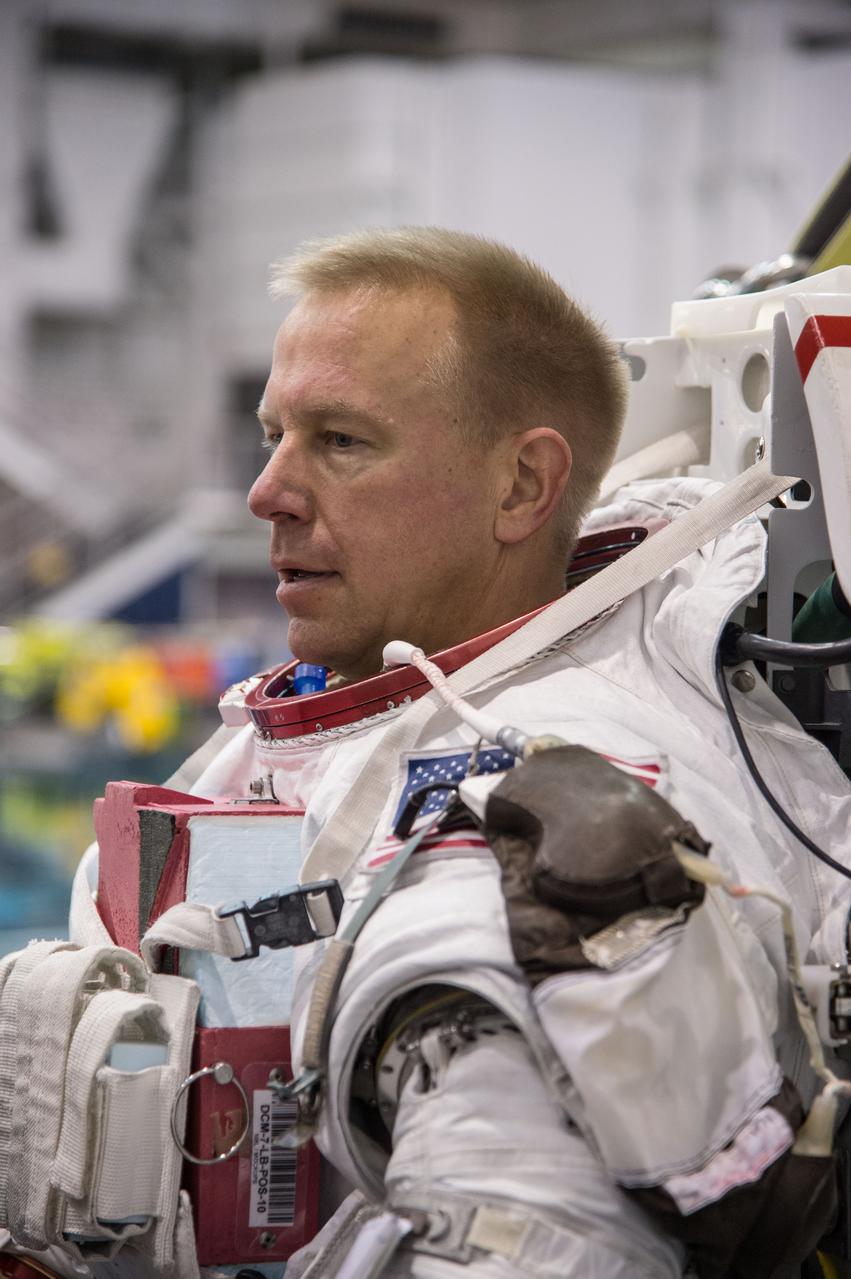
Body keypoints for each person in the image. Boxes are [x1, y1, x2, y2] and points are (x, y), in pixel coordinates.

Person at [3, 227, 850, 1279]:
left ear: (519, 488)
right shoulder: (282, 750)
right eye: (272, 434)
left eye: (341, 441)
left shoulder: (535, 847)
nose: (267, 491)